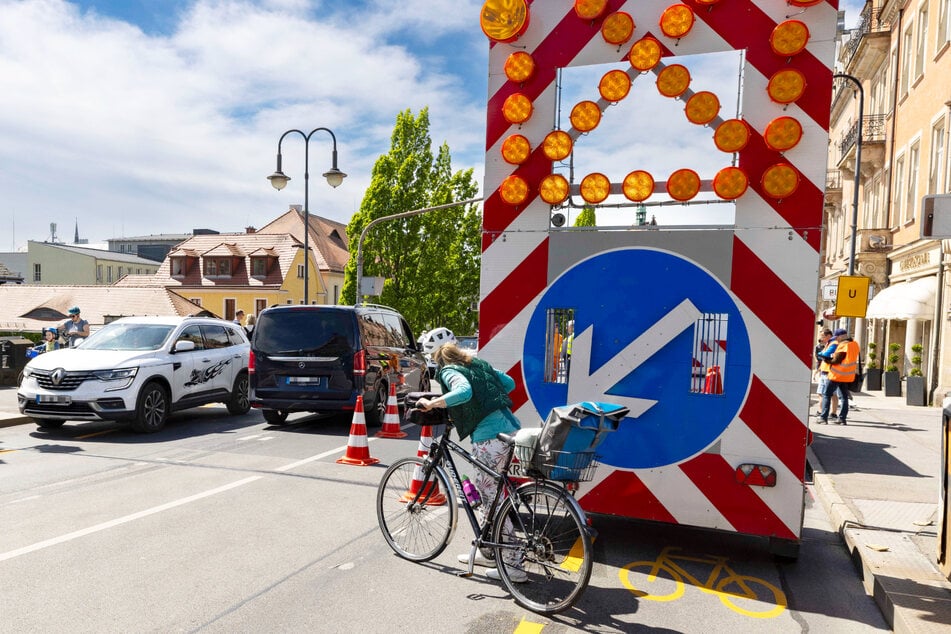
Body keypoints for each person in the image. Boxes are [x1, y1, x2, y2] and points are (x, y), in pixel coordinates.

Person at [416, 342, 524, 583]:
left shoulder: (449, 370)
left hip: (491, 437)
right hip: (511, 428)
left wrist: (433, 403)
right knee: (495, 496)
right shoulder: (477, 364)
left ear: (440, 361)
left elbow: (463, 392)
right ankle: (490, 552)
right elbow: (508, 383)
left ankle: (513, 563)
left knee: (490, 500)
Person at [819, 328, 860, 425]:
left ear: (841, 336)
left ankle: (823, 418)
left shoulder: (843, 346)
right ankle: (842, 419)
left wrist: (826, 359)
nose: (836, 340)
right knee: (844, 397)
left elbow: (836, 360)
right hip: (848, 375)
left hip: (836, 374)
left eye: (836, 338)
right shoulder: (854, 344)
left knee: (826, 395)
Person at [814, 329, 838, 419]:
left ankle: (833, 413)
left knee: (831, 394)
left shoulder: (833, 343)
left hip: (830, 372)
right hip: (824, 370)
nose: (821, 338)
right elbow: (820, 354)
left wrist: (822, 353)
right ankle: (821, 411)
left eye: (822, 336)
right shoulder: (828, 343)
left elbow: (824, 354)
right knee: (820, 392)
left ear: (828, 336)